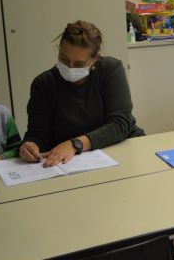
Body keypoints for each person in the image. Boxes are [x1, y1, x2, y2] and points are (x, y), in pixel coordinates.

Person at [19, 20, 144, 167]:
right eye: (64, 59)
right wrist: (29, 146)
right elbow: (38, 134)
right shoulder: (44, 84)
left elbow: (120, 124)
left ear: (95, 58)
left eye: (79, 64)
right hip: (72, 163)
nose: (70, 67)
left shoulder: (111, 70)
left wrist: (74, 144)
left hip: (121, 148)